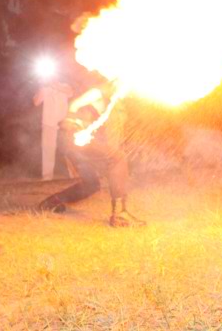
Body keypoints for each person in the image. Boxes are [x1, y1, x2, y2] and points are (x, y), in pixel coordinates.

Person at [37, 85, 145, 228]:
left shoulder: (121, 103)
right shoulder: (100, 92)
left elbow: (113, 134)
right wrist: (73, 124)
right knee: (117, 158)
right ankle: (119, 215)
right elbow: (74, 105)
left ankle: (51, 202)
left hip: (83, 146)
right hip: (76, 137)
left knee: (91, 184)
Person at [33, 79, 73, 180]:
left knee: (68, 149)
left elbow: (70, 92)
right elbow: (36, 102)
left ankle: (73, 174)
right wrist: (42, 88)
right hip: (48, 124)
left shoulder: (65, 85)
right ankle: (47, 177)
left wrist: (55, 85)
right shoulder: (45, 88)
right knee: (48, 150)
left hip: (63, 124)